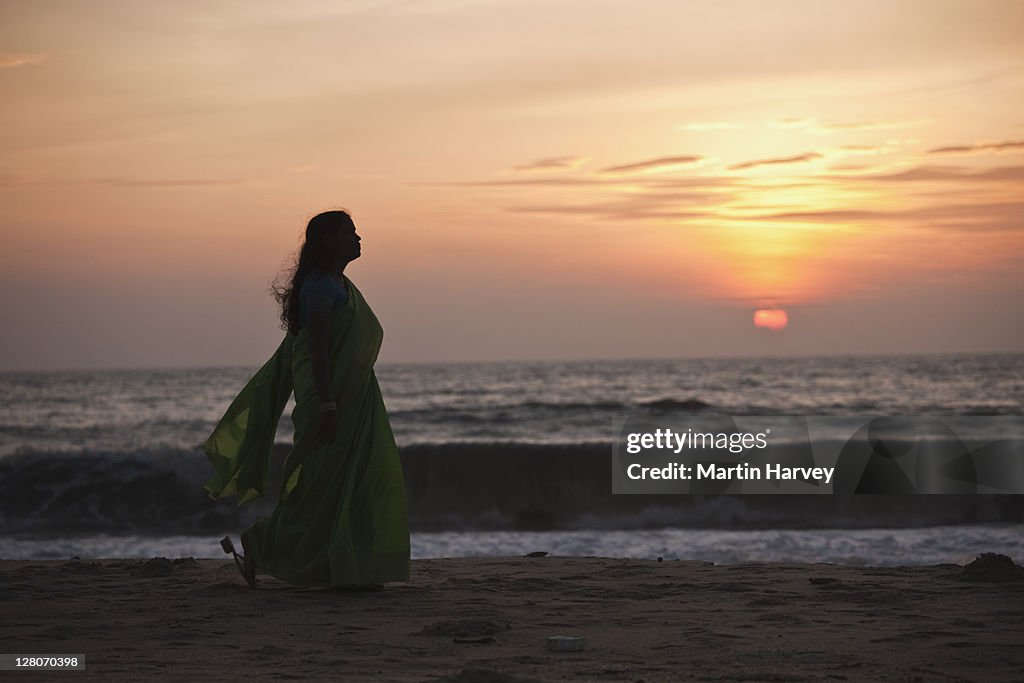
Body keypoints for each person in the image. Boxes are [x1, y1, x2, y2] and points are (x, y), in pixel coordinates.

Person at [203, 210, 410, 589]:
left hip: (355, 397)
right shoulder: (318, 288)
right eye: (350, 232)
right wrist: (328, 405)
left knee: (356, 478)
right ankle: (260, 543)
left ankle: (346, 563)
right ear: (329, 241)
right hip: (328, 399)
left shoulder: (339, 283)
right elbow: (316, 352)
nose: (359, 238)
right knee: (320, 482)